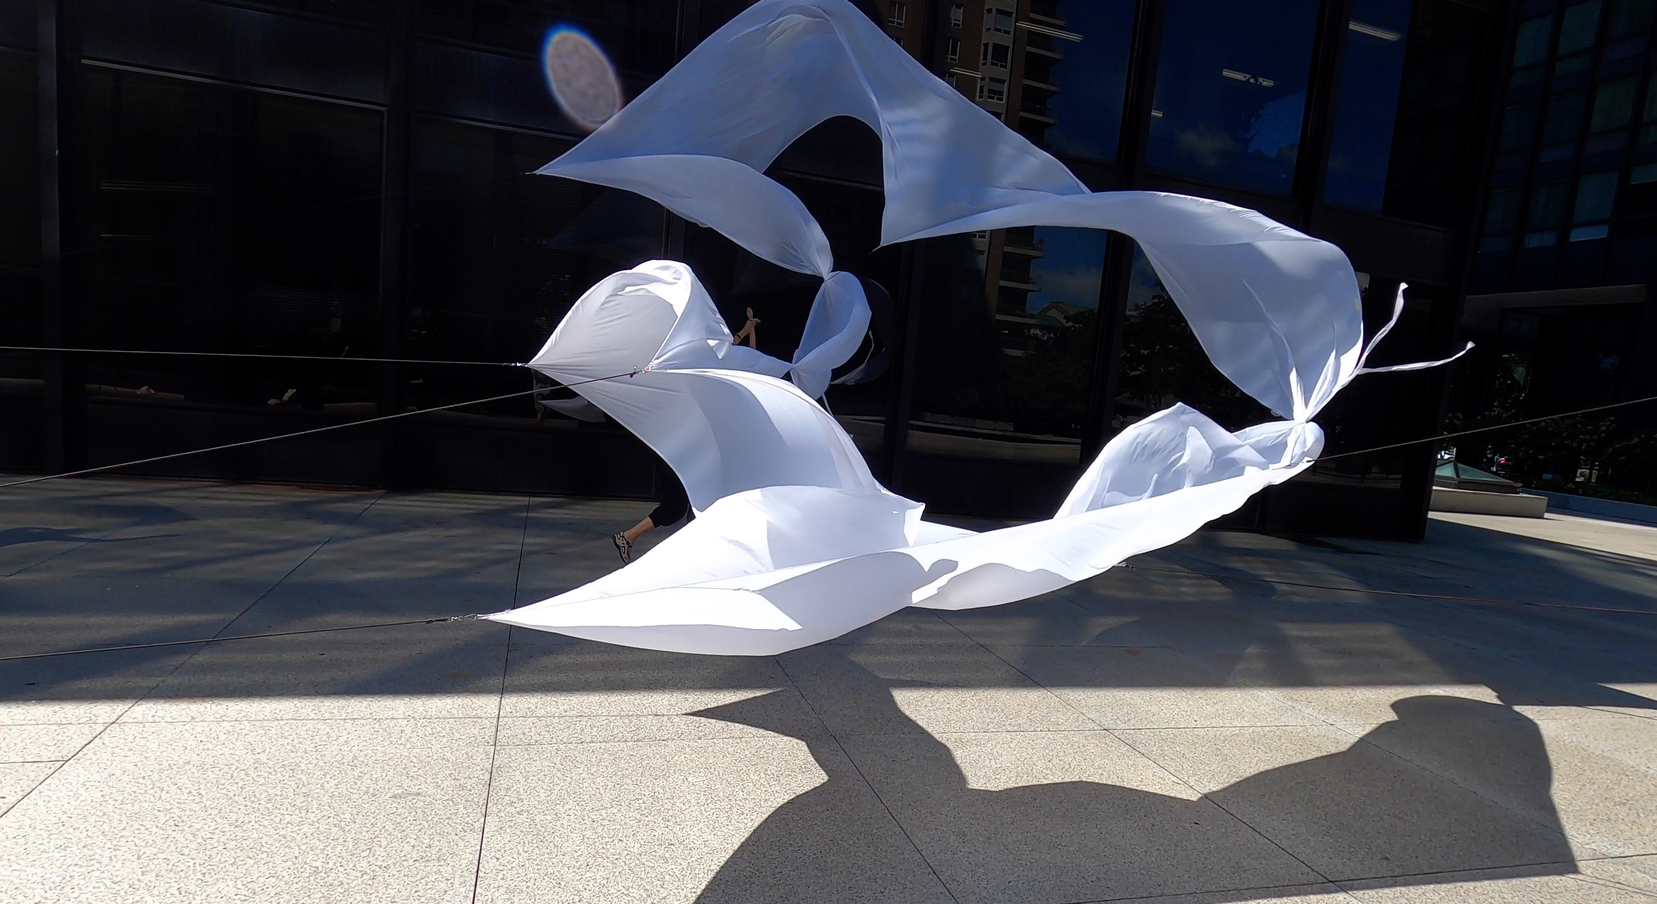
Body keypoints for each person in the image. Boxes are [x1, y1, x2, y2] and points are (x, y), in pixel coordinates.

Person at [612, 455, 689, 564]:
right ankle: (628, 536)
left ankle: (628, 536)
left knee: (679, 503)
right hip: (673, 453)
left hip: (678, 453)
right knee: (676, 504)